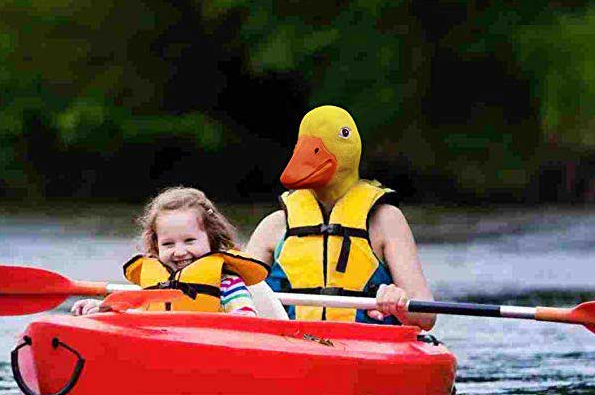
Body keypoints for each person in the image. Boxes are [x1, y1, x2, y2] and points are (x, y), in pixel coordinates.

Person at [245, 105, 436, 330]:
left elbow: (426, 317)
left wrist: (398, 302)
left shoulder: (385, 221)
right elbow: (235, 298)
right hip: (291, 343)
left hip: (368, 345)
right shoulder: (274, 226)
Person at [72, 187, 276, 317]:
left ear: (211, 238)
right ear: (156, 246)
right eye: (168, 244)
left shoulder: (228, 283)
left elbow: (246, 316)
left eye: (189, 241)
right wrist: (102, 308)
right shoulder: (153, 283)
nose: (179, 252)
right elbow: (132, 312)